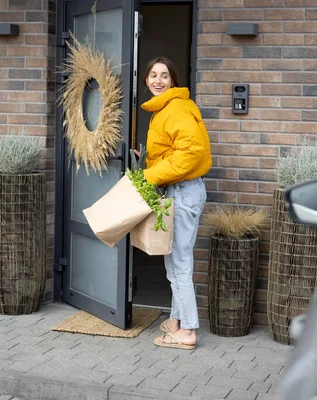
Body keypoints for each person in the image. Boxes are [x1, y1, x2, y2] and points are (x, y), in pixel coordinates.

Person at [139, 57, 212, 350]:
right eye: (153, 75)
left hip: (182, 191)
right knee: (176, 261)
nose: (158, 80)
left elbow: (190, 153)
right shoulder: (166, 109)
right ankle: (176, 321)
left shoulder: (175, 108)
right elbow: (173, 150)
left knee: (179, 264)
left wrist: (149, 175)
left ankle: (188, 331)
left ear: (173, 81)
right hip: (181, 190)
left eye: (164, 76)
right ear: (146, 80)